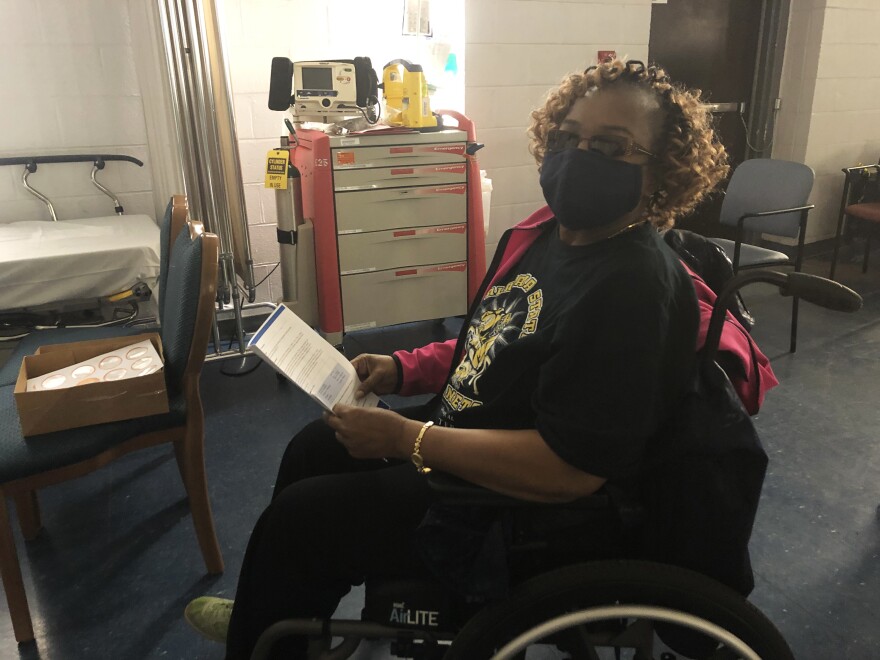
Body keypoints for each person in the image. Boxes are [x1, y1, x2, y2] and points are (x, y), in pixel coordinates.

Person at [184, 59, 731, 659]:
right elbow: (498, 338)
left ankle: (271, 620)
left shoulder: (631, 287)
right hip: (466, 445)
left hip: (514, 512)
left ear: (661, 171)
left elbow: (568, 471)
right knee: (315, 447)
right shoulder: (549, 236)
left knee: (301, 521)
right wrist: (402, 367)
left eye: (611, 145)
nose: (578, 155)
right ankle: (280, 608)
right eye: (567, 137)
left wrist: (406, 437)